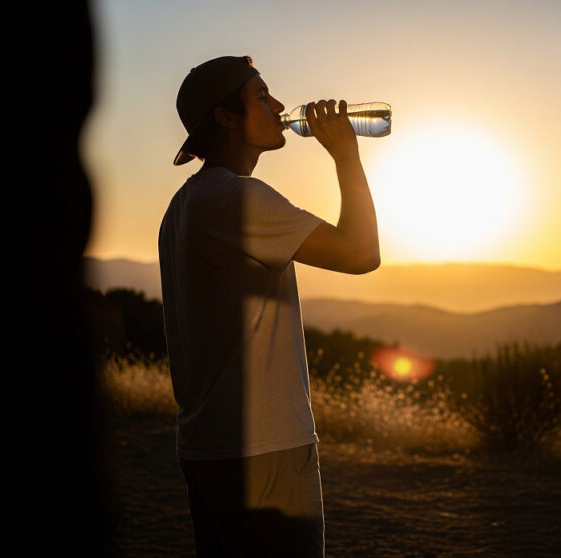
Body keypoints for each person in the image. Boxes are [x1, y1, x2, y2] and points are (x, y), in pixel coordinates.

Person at [158, 55, 380, 557]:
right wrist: (346, 155)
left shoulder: (182, 206)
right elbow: (361, 253)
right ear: (225, 116)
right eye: (261, 96)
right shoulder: (238, 198)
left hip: (206, 449)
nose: (280, 106)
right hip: (265, 452)